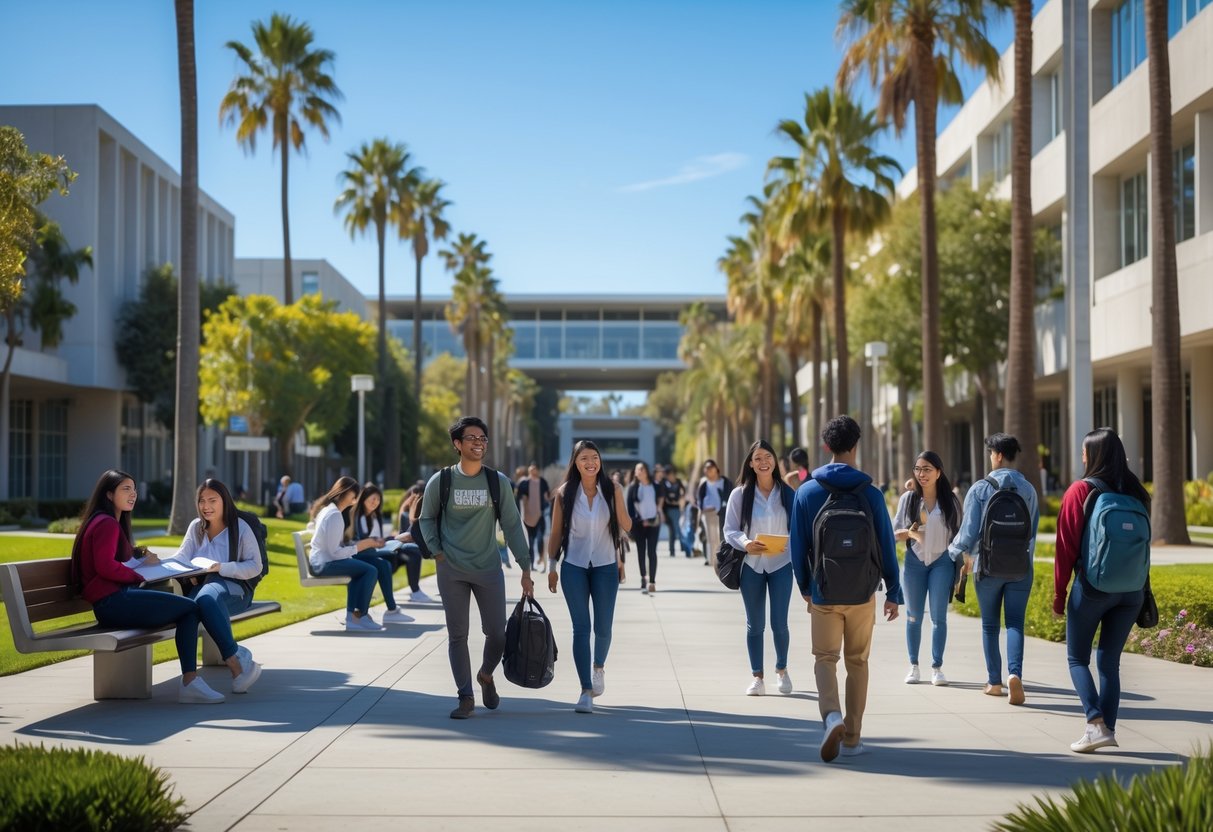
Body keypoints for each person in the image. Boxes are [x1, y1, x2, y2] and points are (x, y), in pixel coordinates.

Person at [70, 469, 242, 703]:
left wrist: (139, 557)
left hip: (114, 601)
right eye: (125, 489)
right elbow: (105, 567)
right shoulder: (107, 523)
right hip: (113, 603)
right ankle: (196, 680)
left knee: (188, 610)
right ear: (109, 495)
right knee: (191, 608)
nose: (133, 494)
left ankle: (191, 682)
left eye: (134, 489)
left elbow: (115, 558)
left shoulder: (106, 522)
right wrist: (139, 576)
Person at [789, 416, 902, 761]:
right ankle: (852, 738)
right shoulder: (870, 493)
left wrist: (805, 586)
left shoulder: (807, 492)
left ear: (827, 447)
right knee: (858, 662)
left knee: (825, 659)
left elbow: (797, 546)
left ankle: (831, 716)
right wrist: (894, 592)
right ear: (855, 446)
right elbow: (885, 543)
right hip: (862, 593)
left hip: (824, 591)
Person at [419, 416, 533, 719]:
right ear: (457, 444)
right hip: (451, 569)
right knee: (458, 635)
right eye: (472, 438)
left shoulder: (497, 482)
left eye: (483, 438)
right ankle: (465, 696)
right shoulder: (441, 481)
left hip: (487, 568)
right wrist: (437, 552)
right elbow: (425, 518)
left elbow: (511, 525)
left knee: (497, 633)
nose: (479, 443)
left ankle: (485, 675)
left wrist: (525, 567)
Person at [1054, 427, 1150, 753]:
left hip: (1093, 587)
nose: (1081, 456)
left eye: (1084, 451)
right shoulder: (1138, 493)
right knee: (1109, 662)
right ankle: (1106, 729)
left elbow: (1065, 549)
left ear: (1093, 455)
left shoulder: (1080, 491)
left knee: (1077, 659)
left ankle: (1095, 723)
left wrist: (1058, 594)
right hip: (1132, 591)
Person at [947, 433, 1040, 705]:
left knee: (990, 626)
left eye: (990, 454)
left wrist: (952, 553)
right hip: (1021, 567)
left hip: (987, 568)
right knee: (1015, 623)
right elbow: (1031, 533)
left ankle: (994, 682)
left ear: (997, 455)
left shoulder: (980, 488)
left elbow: (968, 534)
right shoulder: (1029, 489)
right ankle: (1015, 674)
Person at [547, 440, 631, 713]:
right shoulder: (565, 493)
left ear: (600, 461)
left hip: (606, 565)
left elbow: (627, 525)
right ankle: (585, 690)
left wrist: (619, 498)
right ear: (575, 462)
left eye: (594, 457)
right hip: (574, 566)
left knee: (603, 628)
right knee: (581, 628)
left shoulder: (612, 488)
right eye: (584, 458)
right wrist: (551, 566)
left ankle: (599, 668)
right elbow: (556, 532)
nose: (590, 462)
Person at [173, 477, 264, 695]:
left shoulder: (240, 528)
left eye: (212, 500)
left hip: (235, 590)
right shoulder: (196, 528)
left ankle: (235, 664)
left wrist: (221, 567)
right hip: (203, 588)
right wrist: (156, 563)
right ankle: (190, 682)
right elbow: (181, 558)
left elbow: (255, 566)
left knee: (205, 599)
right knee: (189, 610)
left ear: (224, 500)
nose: (206, 506)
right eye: (202, 501)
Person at [723, 440, 796, 696]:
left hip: (781, 565)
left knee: (779, 623)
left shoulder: (788, 493)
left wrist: (789, 543)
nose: (763, 462)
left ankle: (782, 670)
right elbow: (730, 529)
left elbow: (797, 529)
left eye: (767, 457)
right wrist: (745, 543)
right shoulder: (740, 494)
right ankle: (757, 677)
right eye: (757, 458)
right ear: (750, 464)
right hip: (751, 565)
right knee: (755, 624)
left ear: (775, 461)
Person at [892, 452, 963, 687]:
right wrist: (911, 533)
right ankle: (913, 666)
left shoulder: (951, 502)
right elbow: (894, 533)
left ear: (938, 473)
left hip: (942, 561)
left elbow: (960, 535)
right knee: (913, 617)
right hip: (914, 562)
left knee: (938, 617)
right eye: (918, 469)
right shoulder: (908, 500)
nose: (922, 474)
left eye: (927, 469)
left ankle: (937, 667)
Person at [308, 476, 388, 632]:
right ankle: (360, 617)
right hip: (323, 564)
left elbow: (333, 548)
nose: (356, 498)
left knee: (361, 570)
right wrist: (360, 546)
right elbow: (334, 553)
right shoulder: (334, 515)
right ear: (344, 493)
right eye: (354, 494)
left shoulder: (330, 510)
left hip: (323, 560)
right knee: (370, 570)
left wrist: (356, 546)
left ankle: (354, 617)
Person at [351, 483, 416, 623]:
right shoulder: (357, 516)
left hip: (369, 553)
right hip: (356, 553)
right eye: (372, 499)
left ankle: (390, 610)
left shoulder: (374, 517)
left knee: (386, 563)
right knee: (384, 564)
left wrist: (389, 540)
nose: (375, 502)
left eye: (378, 500)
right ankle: (384, 610)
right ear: (364, 498)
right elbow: (360, 541)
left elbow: (376, 539)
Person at [626, 462, 663, 594]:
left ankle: (652, 581)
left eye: (642, 469)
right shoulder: (633, 488)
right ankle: (643, 577)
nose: (640, 471)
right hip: (639, 524)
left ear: (646, 471)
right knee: (641, 551)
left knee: (652, 551)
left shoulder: (655, 486)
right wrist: (636, 522)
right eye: (637, 470)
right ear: (635, 473)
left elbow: (660, 501)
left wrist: (657, 515)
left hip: (653, 523)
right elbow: (629, 509)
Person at [393, 485, 434, 603]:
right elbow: (406, 535)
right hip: (406, 545)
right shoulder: (406, 514)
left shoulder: (428, 513)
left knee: (414, 550)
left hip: (415, 544)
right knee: (414, 551)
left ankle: (416, 591)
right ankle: (415, 591)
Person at [695, 459, 732, 568]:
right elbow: (699, 500)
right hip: (708, 514)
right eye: (706, 468)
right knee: (711, 538)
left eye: (711, 467)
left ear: (716, 469)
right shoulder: (703, 483)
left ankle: (722, 560)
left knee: (721, 537)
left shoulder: (725, 482)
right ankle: (712, 561)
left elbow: (729, 496)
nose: (709, 470)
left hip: (722, 513)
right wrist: (702, 510)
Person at [516, 463, 551, 573]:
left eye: (534, 470)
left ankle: (541, 558)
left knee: (540, 538)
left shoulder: (543, 482)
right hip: (527, 517)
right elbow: (518, 498)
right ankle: (531, 565)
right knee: (530, 541)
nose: (533, 472)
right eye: (531, 470)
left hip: (540, 515)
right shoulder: (524, 483)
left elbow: (548, 496)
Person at [656, 465, 688, 557]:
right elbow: (663, 495)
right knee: (672, 530)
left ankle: (684, 548)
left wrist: (681, 500)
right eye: (668, 474)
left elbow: (683, 492)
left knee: (679, 529)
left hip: (677, 509)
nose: (670, 476)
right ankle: (672, 550)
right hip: (668, 509)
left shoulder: (678, 481)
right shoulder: (664, 482)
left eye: (671, 474)